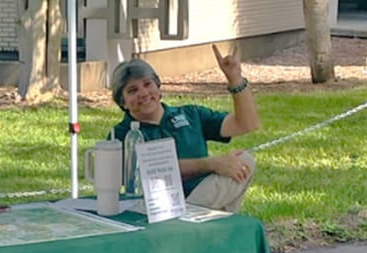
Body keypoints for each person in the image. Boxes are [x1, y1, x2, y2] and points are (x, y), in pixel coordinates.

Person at [109, 45, 261, 212]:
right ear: (122, 102)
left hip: (203, 195)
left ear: (159, 88)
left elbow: (247, 124)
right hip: (154, 207)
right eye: (132, 90)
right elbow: (150, 171)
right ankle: (192, 221)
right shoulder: (121, 134)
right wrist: (211, 164)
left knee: (245, 161)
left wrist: (235, 79)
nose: (144, 93)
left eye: (147, 84)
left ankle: (192, 218)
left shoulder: (191, 114)